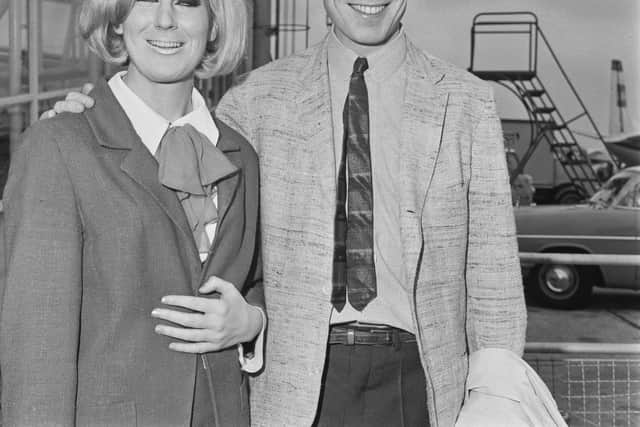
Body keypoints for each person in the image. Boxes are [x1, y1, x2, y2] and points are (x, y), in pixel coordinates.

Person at [46, 1, 567, 425]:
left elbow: (494, 275)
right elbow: (185, 205)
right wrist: (92, 120)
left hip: (426, 384)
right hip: (292, 382)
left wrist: (493, 398)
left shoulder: (466, 103)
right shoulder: (253, 102)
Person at [0, 0, 264, 426]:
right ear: (118, 18)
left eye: (187, 3)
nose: (164, 19)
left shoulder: (240, 156)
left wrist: (251, 322)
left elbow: (256, 280)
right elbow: (36, 350)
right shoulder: (58, 146)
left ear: (215, 24)